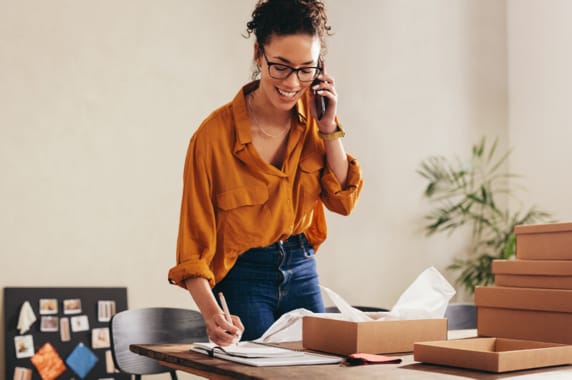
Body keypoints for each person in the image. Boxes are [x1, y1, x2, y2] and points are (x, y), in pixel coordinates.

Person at [168, 0, 363, 346]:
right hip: (244, 276)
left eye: (307, 69)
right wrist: (213, 314)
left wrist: (329, 125)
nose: (292, 83)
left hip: (302, 267)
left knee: (321, 371)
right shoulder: (213, 138)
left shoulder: (316, 121)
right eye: (281, 67)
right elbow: (192, 250)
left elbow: (343, 200)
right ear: (258, 54)